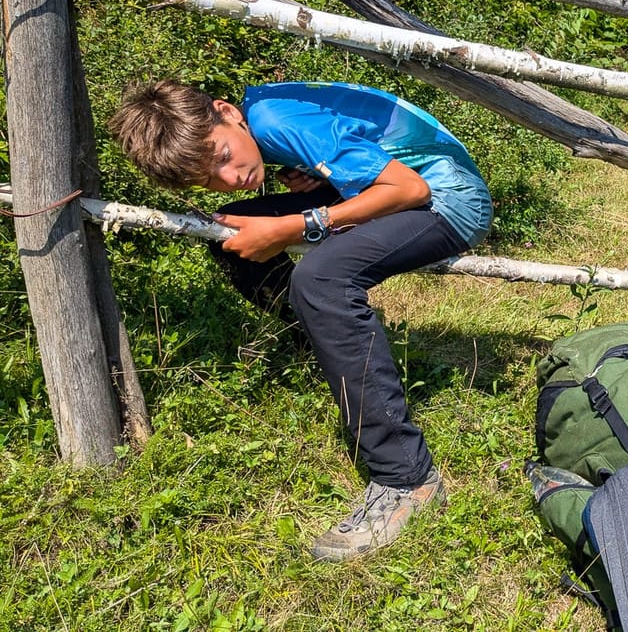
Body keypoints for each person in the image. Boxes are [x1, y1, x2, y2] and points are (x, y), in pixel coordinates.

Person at [109, 79, 493, 562]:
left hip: (447, 201)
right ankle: (330, 347)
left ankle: (406, 479)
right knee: (229, 232)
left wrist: (299, 224)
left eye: (223, 156)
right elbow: (358, 145)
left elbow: (410, 188)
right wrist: (321, 181)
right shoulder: (261, 120)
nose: (229, 178)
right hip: (403, 188)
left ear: (226, 111)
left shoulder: (276, 120)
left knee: (321, 279)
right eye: (208, 180)